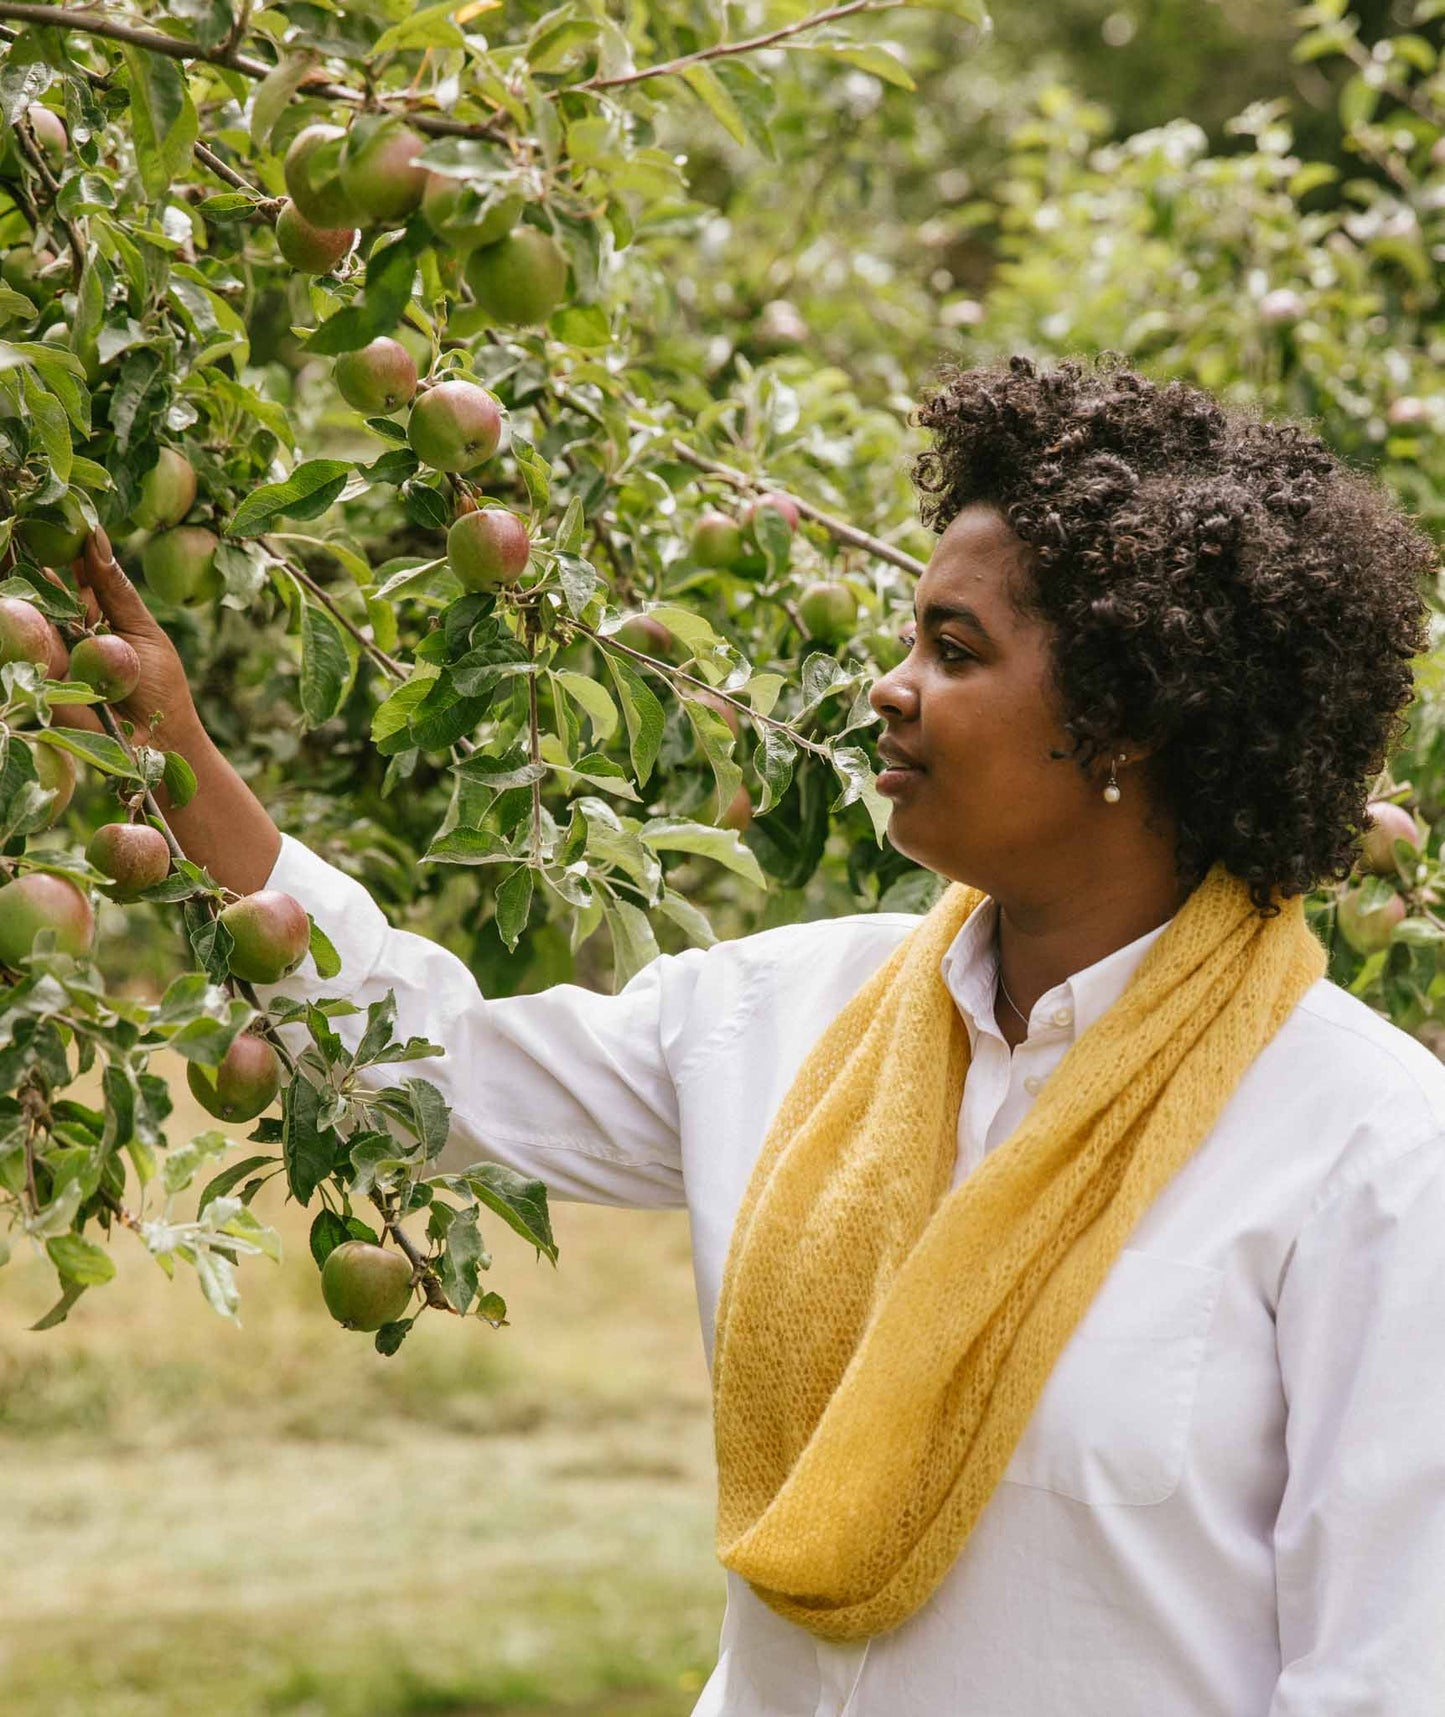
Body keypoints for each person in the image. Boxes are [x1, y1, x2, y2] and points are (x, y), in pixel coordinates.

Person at [59, 354, 1445, 1714]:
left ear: (1126, 718)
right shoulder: (785, 1016)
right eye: (908, 637)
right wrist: (175, 748)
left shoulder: (1361, 1143)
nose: (885, 688)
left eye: (952, 651)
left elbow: (1379, 1670)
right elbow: (432, 1068)